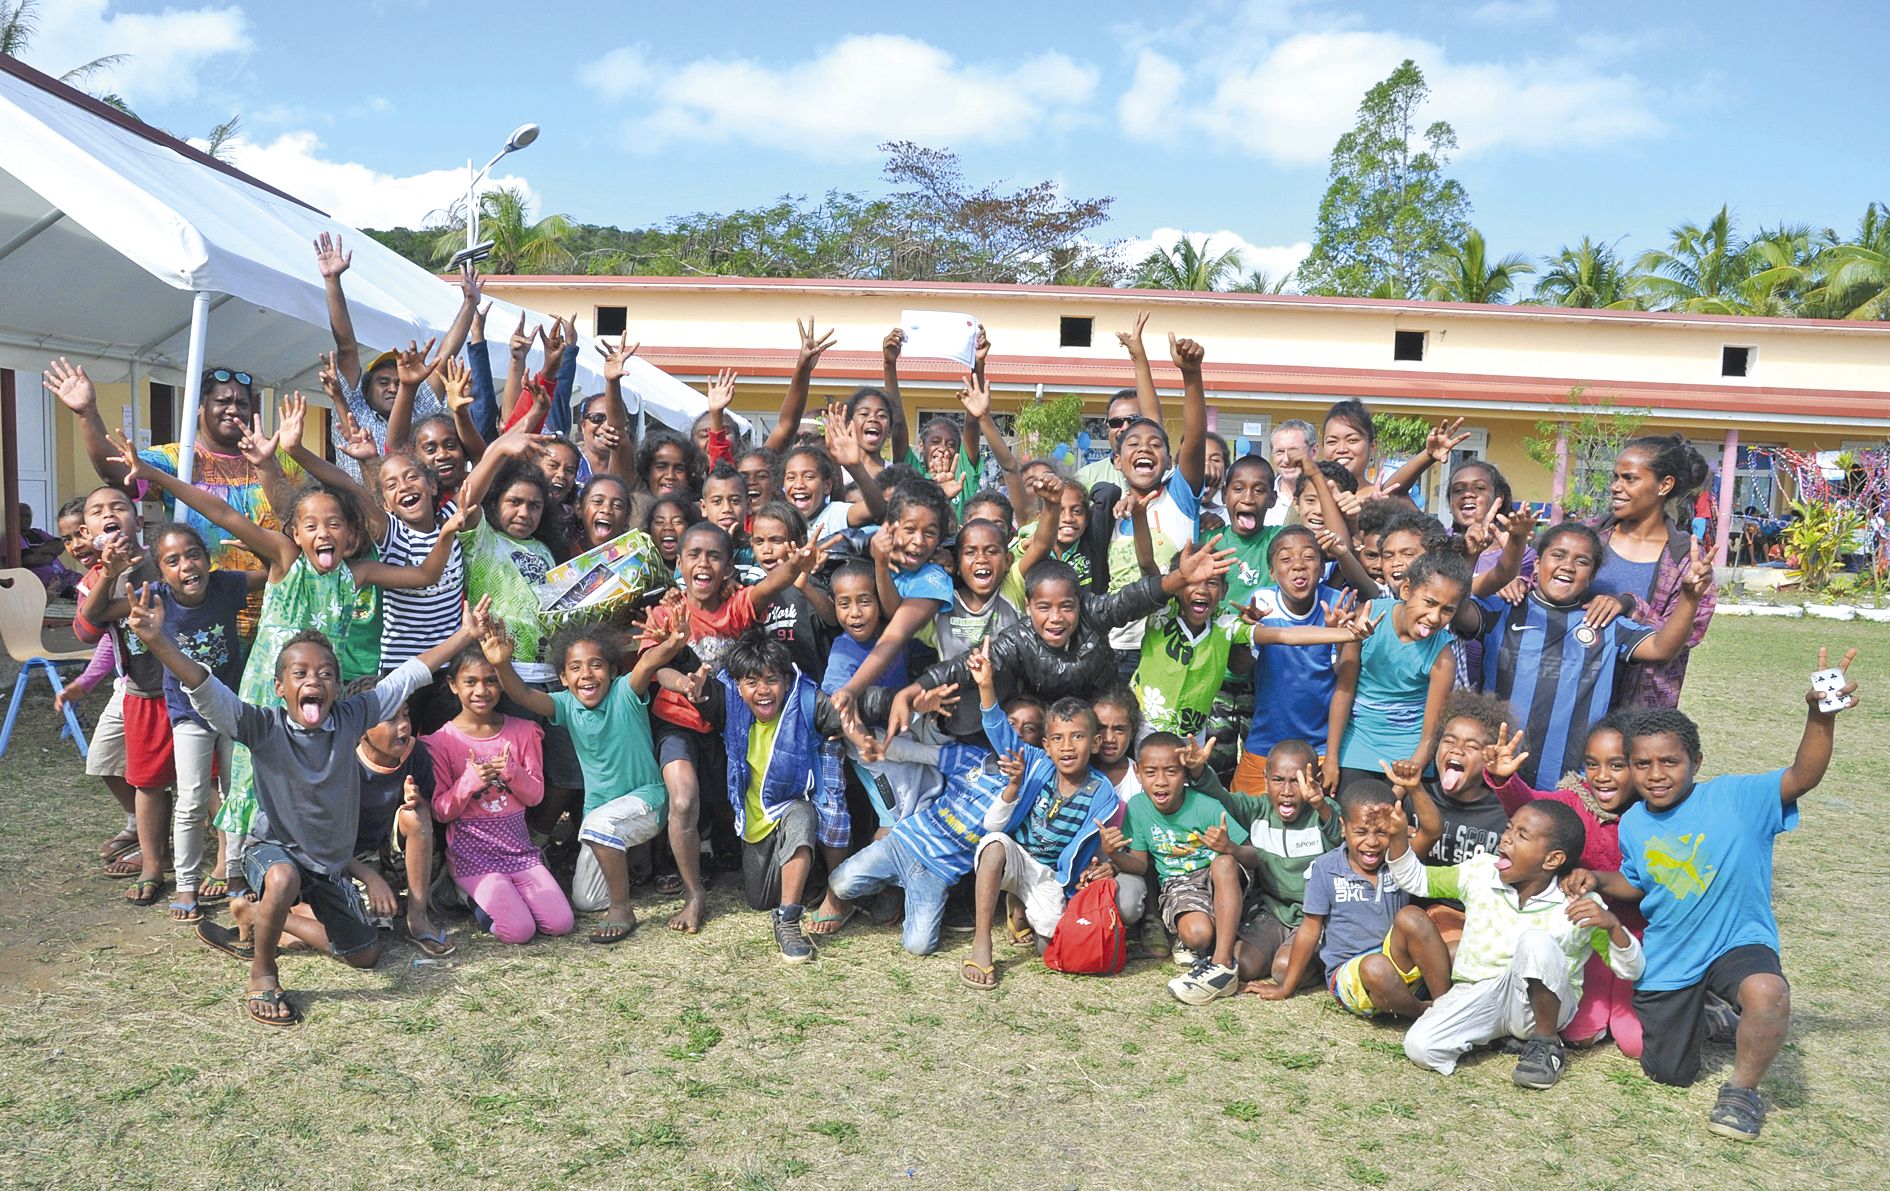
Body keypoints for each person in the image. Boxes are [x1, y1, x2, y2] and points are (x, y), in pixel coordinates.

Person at [126, 586, 475, 1026]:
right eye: (301, 673)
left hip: (327, 864)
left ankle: (254, 915)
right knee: (283, 874)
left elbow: (407, 676)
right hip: (270, 851)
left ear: (338, 686)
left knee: (365, 954)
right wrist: (158, 641)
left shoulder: (351, 719)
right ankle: (263, 971)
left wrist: (464, 636)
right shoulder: (262, 725)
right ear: (280, 687)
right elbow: (204, 686)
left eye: (327, 673)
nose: (314, 680)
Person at [1570, 654, 1858, 1140]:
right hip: (1673, 955)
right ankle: (1716, 1014)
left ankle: (1742, 1091)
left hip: (1736, 941)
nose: (1656, 774)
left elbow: (1802, 776)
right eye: (1642, 764)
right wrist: (1598, 879)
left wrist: (1820, 716)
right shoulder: (1636, 822)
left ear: (1695, 763)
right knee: (1667, 1071)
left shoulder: (1737, 798)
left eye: (1669, 762)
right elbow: (1639, 886)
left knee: (1767, 993)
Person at [1390, 796, 1645, 1089]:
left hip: (1539, 1010)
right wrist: (1398, 838)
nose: (1507, 839)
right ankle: (1495, 1035)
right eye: (1509, 829)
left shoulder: (1578, 904)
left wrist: (1613, 926)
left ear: (1552, 859)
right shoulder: (1480, 872)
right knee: (1420, 1047)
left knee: (1535, 941)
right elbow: (1416, 880)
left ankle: (1546, 1045)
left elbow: (1632, 971)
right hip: (1479, 992)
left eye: (1521, 836)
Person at [79, 522, 263, 921]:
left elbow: (277, 569)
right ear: (161, 572)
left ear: (208, 559)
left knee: (236, 795)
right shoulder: (154, 595)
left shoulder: (226, 586)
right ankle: (185, 885)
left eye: (193, 554)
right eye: (173, 561)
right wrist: (109, 574)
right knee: (192, 799)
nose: (186, 566)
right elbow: (93, 618)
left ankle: (235, 874)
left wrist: (254, 544)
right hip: (187, 714)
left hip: (231, 709)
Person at [478, 617, 684, 944]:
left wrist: (673, 641)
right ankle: (627, 873)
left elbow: (648, 663)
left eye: (596, 665)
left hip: (648, 802)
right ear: (563, 678)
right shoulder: (565, 704)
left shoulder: (625, 691)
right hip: (600, 819)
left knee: (599, 826)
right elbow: (523, 696)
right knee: (586, 900)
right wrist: (501, 664)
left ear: (613, 671)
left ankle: (621, 908)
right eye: (575, 668)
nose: (586, 674)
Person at [47, 357, 290, 636]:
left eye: (242, 403)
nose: (233, 409)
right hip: (201, 615)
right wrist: (87, 413)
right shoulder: (177, 459)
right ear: (200, 407)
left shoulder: (275, 457)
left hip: (276, 610)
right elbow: (118, 472)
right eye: (223, 401)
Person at [1466, 522, 1711, 787]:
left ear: (1592, 577)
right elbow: (1455, 609)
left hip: (1569, 784)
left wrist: (1689, 597)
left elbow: (1663, 649)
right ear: (1536, 564)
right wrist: (1470, 559)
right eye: (1558, 555)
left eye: (1581, 561)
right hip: (1494, 773)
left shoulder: (1606, 625)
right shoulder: (1501, 609)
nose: (1568, 566)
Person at [1485, 712, 1650, 1058]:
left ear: (1638, 765)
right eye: (1592, 764)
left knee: (1634, 1043)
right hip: (1585, 932)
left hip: (1632, 937)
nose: (1602, 776)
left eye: (1617, 765)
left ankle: (1708, 1010)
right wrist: (1506, 780)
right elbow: (1533, 810)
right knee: (1580, 1034)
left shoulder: (1650, 815)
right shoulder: (1574, 801)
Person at [961, 644, 1118, 990]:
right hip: (1019, 856)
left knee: (1048, 946)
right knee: (993, 845)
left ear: (1093, 743)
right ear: (1045, 745)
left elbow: (1094, 847)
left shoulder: (1102, 792)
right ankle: (982, 943)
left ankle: (1019, 907)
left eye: (1077, 737)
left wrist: (1097, 866)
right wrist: (986, 686)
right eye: (1058, 739)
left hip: (1051, 876)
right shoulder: (1035, 763)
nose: (1067, 747)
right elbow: (1000, 731)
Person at [1251, 779, 1449, 1020]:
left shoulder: (1398, 860)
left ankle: (1446, 1006)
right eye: (1361, 832)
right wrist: (1285, 987)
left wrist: (1416, 788)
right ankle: (1424, 1012)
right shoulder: (1326, 868)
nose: (1372, 842)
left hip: (1396, 962)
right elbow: (1309, 931)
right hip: (1353, 974)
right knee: (1375, 966)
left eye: (1382, 832)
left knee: (1413, 917)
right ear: (1343, 827)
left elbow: (1432, 831)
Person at [425, 635, 573, 947]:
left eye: (491, 681)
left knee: (560, 923)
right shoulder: (441, 742)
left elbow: (535, 796)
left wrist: (512, 773)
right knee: (519, 931)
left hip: (520, 853)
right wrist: (469, 783)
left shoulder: (522, 732)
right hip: (473, 858)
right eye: (470, 682)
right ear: (453, 685)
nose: (481, 690)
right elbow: (440, 811)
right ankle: (465, 895)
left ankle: (507, 893)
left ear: (504, 683)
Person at [1103, 732, 1260, 1004]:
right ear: (1138, 773)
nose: (1161, 781)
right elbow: (1140, 865)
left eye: (1171, 772)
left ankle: (1222, 965)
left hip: (1221, 877)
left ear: (1185, 772)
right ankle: (1212, 936)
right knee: (1198, 935)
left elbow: (1254, 857)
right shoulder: (1138, 808)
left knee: (1223, 862)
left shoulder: (1207, 805)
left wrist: (1230, 848)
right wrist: (1114, 854)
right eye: (1151, 772)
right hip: (1180, 884)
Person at [313, 233, 479, 483]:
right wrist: (332, 280)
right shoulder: (352, 408)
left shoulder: (419, 410)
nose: (393, 388)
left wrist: (469, 303)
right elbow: (347, 346)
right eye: (383, 382)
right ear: (366, 390)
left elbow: (445, 356)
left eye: (399, 382)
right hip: (363, 512)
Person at [1188, 738, 1343, 988]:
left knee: (1283, 969)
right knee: (1244, 965)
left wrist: (1320, 805)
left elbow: (1339, 835)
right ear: (1265, 777)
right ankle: (1280, 950)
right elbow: (1222, 799)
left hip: (1312, 918)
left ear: (1314, 779)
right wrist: (1198, 771)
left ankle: (1321, 963)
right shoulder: (1257, 810)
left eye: (1297, 781)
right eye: (1278, 780)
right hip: (1273, 912)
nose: (1287, 790)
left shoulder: (1324, 811)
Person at [1588, 435, 1717, 709]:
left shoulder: (1686, 559)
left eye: (1629, 479)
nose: (1615, 487)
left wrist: (1630, 606)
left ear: (1664, 485)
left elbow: (1685, 637)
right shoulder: (1588, 536)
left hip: (1640, 708)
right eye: (1615, 477)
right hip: (1574, 696)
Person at [1329, 550, 1471, 792]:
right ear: (1406, 590)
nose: (1435, 617)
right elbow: (1344, 691)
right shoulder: (1370, 618)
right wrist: (1332, 759)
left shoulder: (1443, 656)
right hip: (1357, 746)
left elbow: (1430, 735)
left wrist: (1404, 785)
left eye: (1448, 610)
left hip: (1409, 756)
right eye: (1430, 602)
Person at [346, 678, 451, 957]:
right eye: (390, 719)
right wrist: (370, 878)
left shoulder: (415, 753)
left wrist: (418, 802)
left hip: (396, 855)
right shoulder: (343, 763)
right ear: (360, 729)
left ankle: (418, 916)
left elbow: (433, 816)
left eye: (405, 714)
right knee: (365, 932)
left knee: (414, 815)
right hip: (350, 860)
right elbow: (325, 843)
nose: (403, 726)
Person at [1266, 419, 1317, 526]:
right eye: (1279, 452)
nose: (1286, 459)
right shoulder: (1261, 497)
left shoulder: (1329, 495)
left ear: (1314, 451)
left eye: (1294, 451)